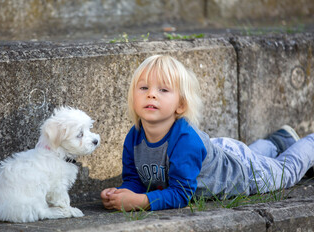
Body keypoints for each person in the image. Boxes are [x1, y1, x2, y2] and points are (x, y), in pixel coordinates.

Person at [100, 55, 314, 211]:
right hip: (218, 154)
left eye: (163, 90)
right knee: (251, 155)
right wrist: (121, 194)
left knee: (287, 172)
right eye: (144, 88)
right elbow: (134, 180)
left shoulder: (184, 140)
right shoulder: (134, 136)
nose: (152, 95)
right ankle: (278, 141)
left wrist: (140, 202)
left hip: (244, 174)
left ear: (180, 105)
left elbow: (181, 193)